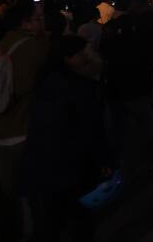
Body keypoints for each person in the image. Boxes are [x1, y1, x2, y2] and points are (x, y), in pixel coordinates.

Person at [24, 35, 109, 241]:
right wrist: (104, 159)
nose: (84, 58)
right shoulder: (77, 87)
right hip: (72, 163)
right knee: (78, 218)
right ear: (67, 57)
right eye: (80, 54)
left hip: (45, 162)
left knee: (52, 219)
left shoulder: (44, 81)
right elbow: (90, 129)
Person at [0, 0, 50, 242]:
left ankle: (9, 234)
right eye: (36, 18)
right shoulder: (33, 47)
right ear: (25, 23)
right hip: (24, 129)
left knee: (6, 195)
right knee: (35, 191)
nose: (40, 22)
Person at [100, 0, 153, 172]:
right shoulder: (144, 27)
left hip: (114, 83)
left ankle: (113, 163)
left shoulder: (111, 27)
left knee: (117, 127)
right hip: (136, 85)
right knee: (145, 124)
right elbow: (148, 57)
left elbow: (104, 52)